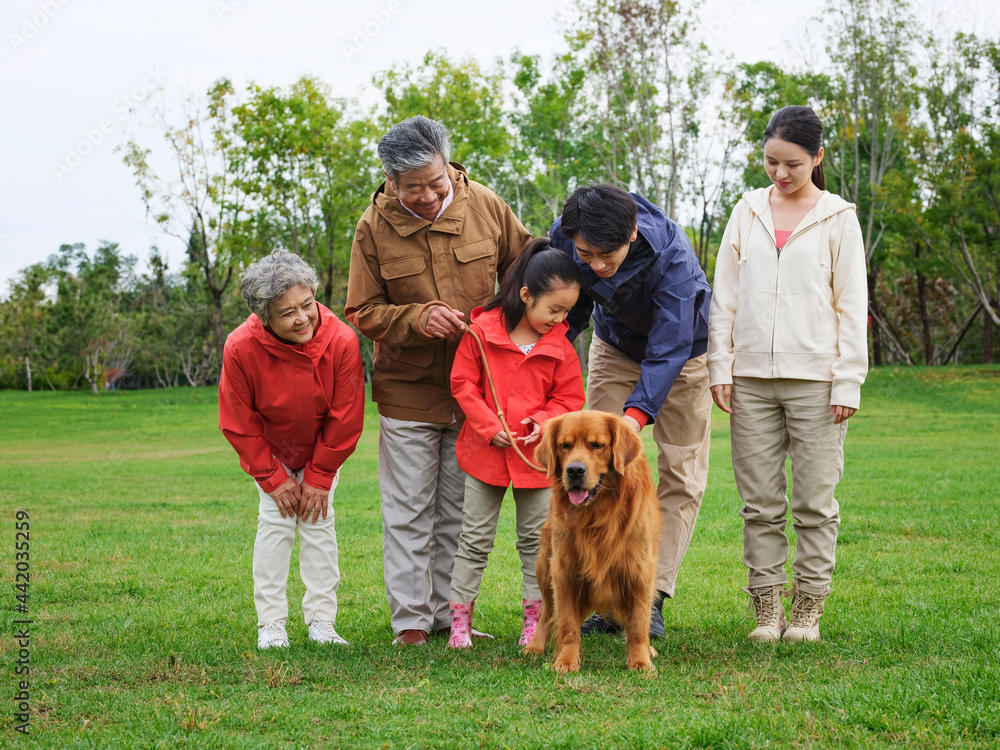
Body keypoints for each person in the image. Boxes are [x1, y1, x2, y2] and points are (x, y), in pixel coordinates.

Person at [345, 115, 531, 646]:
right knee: (408, 512)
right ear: (390, 180)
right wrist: (415, 319)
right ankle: (410, 622)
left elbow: (527, 273)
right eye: (412, 188)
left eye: (436, 183)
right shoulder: (372, 227)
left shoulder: (488, 204)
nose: (426, 196)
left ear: (448, 166)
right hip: (408, 390)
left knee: (458, 510)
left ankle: (453, 618)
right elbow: (362, 309)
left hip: (476, 391)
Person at [707, 105, 868, 643]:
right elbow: (724, 298)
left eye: (792, 164)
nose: (779, 174)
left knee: (814, 503)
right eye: (771, 162)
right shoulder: (746, 211)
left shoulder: (838, 217)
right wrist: (720, 366)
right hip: (750, 379)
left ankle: (807, 610)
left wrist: (848, 380)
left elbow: (851, 304)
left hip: (818, 382)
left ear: (818, 157)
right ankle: (767, 609)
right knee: (760, 503)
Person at [549, 184, 713, 639]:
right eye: (587, 254)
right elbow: (565, 308)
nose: (597, 266)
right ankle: (604, 596)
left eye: (608, 256)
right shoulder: (566, 237)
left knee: (681, 472)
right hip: (616, 344)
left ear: (634, 233)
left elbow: (669, 347)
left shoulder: (673, 257)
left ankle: (650, 594)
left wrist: (634, 418)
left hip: (684, 353)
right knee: (594, 465)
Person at [219, 250, 365, 649]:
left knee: (319, 527)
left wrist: (319, 477)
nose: (302, 318)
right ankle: (271, 624)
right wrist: (272, 477)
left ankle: (322, 621)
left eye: (307, 305)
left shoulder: (342, 339)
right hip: (271, 452)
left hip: (322, 449)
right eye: (287, 313)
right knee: (276, 527)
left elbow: (347, 414)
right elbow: (238, 419)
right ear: (264, 317)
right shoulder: (240, 347)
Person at [447, 238, 586, 649]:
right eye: (554, 309)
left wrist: (543, 423)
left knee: (537, 543)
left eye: (567, 311)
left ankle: (535, 623)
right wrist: (489, 426)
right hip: (485, 454)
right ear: (526, 295)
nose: (560, 318)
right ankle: (459, 623)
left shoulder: (561, 348)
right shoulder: (480, 333)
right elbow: (463, 384)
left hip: (535, 462)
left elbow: (569, 400)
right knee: (474, 539)